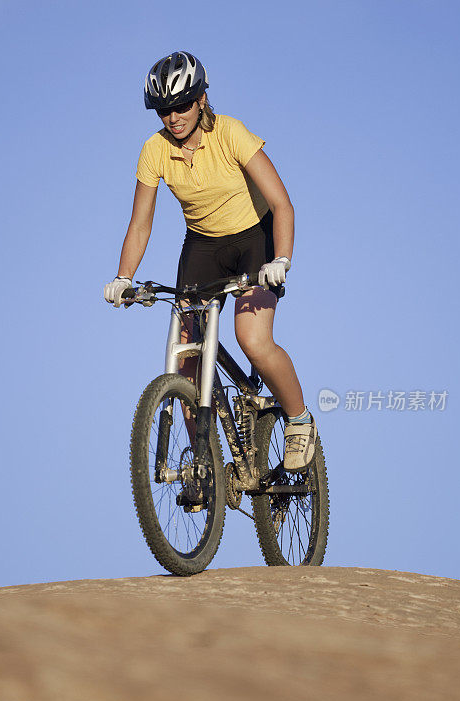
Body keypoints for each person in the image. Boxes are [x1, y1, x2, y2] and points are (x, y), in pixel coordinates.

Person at [104, 51, 316, 471]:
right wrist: (123, 277)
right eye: (164, 109)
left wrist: (283, 258)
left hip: (255, 237)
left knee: (252, 339)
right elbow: (141, 224)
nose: (174, 117)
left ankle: (298, 420)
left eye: (182, 105)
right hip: (202, 246)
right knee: (186, 359)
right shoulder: (154, 151)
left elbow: (282, 203)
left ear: (202, 99)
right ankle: (204, 465)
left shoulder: (230, 133)